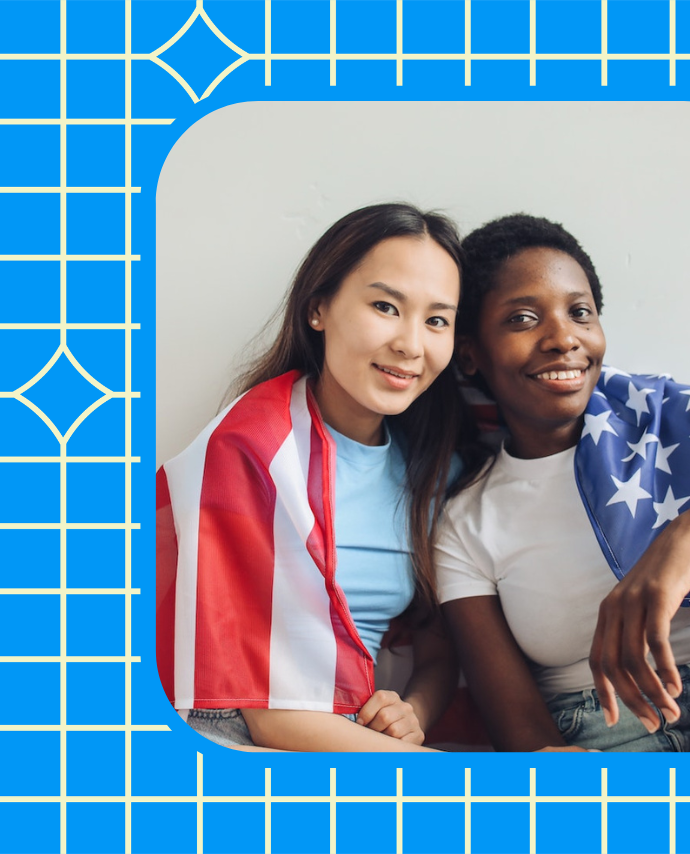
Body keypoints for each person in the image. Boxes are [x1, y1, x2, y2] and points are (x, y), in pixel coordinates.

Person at [437, 214, 690, 751]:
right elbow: (520, 732)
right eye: (523, 319)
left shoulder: (673, 424)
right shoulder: (466, 521)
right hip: (608, 746)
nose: (563, 338)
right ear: (470, 353)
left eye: (581, 313)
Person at [156, 203, 472, 752]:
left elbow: (438, 645)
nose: (411, 344)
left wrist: (412, 710)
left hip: (351, 738)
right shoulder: (251, 454)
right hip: (234, 734)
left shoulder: (434, 472)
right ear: (318, 309)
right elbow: (273, 718)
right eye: (385, 306)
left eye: (436, 320)